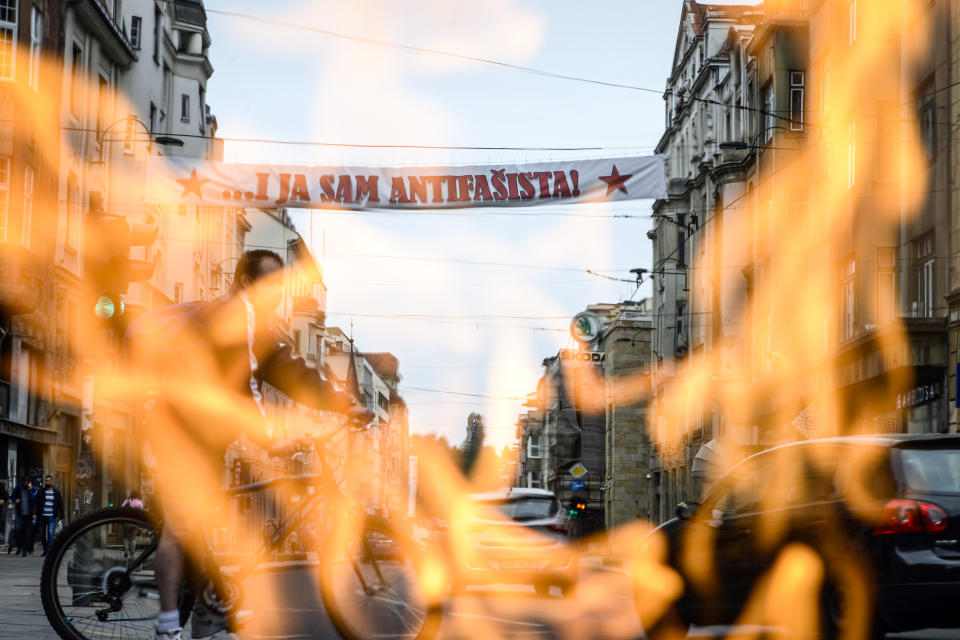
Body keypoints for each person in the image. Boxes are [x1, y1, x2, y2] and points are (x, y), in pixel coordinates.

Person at [127, 249, 371, 640]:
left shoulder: (259, 325)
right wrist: (274, 437)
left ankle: (208, 618)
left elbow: (296, 374)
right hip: (176, 430)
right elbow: (254, 390)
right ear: (244, 283)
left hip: (207, 435)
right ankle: (168, 624)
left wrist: (345, 404)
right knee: (181, 526)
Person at [38, 475, 65, 556]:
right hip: (42, 516)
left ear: (52, 482)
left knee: (50, 533)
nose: (47, 482)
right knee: (42, 534)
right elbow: (37, 503)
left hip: (52, 516)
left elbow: (60, 505)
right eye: (46, 481)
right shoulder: (41, 491)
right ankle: (46, 548)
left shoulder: (56, 493)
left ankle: (47, 550)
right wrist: (35, 513)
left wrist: (62, 517)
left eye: (49, 481)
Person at [10, 477, 37, 556]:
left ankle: (24, 549)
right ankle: (19, 547)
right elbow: (12, 495)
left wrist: (30, 489)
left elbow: (34, 500)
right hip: (20, 514)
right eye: (24, 482)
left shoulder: (31, 490)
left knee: (26, 533)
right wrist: (15, 500)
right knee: (18, 530)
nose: (26, 484)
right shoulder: (18, 488)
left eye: (27, 482)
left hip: (28, 515)